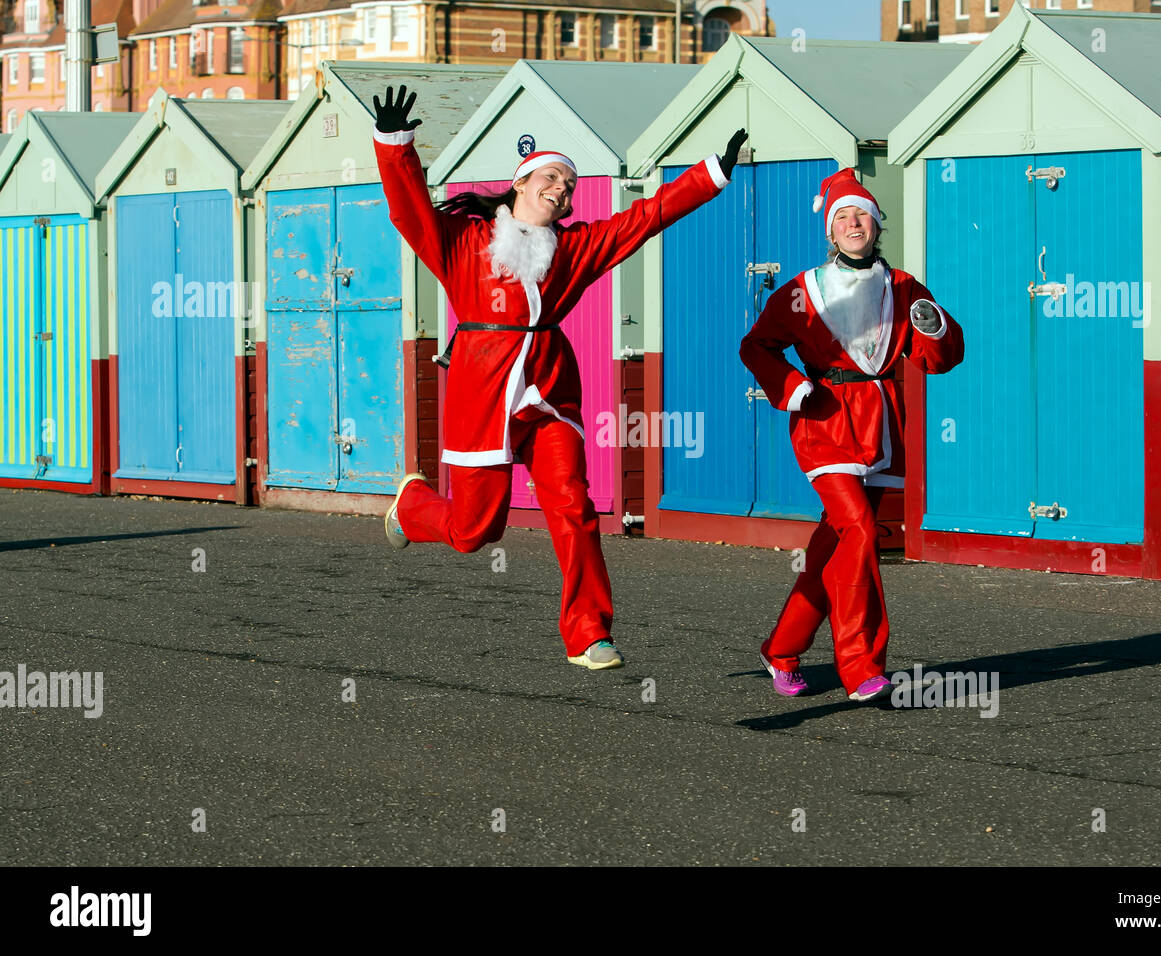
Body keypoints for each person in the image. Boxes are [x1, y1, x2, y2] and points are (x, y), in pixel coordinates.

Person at [372, 84, 746, 671]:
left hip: (548, 394)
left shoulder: (574, 248)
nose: (560, 189)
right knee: (475, 532)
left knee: (573, 503)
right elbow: (409, 208)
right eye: (549, 178)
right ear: (520, 184)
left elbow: (644, 218)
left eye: (568, 185)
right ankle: (413, 504)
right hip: (481, 395)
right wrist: (395, 146)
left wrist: (711, 173)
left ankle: (589, 633)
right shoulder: (462, 243)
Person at [739, 168, 965, 701]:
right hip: (824, 418)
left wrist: (936, 329)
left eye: (861, 213)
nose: (852, 222)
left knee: (834, 543)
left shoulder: (905, 286)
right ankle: (861, 666)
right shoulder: (803, 290)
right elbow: (756, 346)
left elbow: (939, 359)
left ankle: (782, 648)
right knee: (861, 531)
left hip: (882, 419)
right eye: (841, 216)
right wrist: (791, 387)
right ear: (829, 231)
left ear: (877, 223)